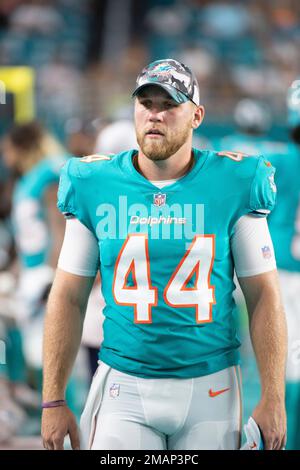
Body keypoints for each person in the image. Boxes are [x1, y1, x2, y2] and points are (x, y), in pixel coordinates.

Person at [42, 59, 287, 450]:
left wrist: (274, 398)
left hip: (211, 386)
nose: (155, 115)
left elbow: (264, 295)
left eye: (169, 105)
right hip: (124, 383)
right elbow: (68, 295)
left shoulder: (234, 181)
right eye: (146, 103)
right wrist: (53, 399)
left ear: (196, 115)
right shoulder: (94, 183)